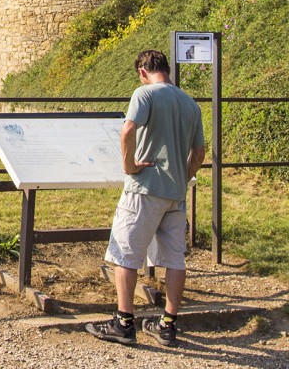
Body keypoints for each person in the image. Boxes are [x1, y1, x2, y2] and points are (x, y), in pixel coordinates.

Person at [86, 49, 206, 347]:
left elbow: (128, 129)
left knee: (125, 254)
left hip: (145, 188)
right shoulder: (190, 103)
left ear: (142, 72)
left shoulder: (145, 94)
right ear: (167, 70)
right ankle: (167, 325)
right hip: (176, 193)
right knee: (175, 258)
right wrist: (183, 175)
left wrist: (129, 166)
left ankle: (124, 323)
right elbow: (200, 152)